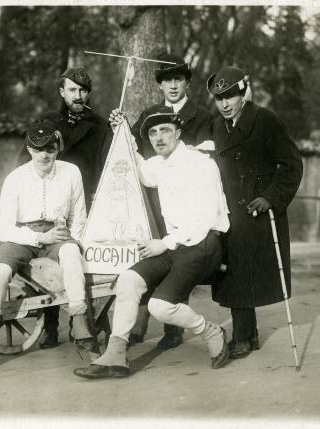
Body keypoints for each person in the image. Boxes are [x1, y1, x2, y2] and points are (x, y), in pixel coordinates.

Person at [73, 107, 231, 379]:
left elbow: (203, 219)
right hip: (175, 244)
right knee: (128, 280)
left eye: (165, 130)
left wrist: (165, 244)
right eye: (153, 133)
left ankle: (211, 331)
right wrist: (122, 131)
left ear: (178, 133)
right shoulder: (160, 163)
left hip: (204, 243)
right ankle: (116, 354)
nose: (158, 138)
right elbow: (143, 171)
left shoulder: (201, 163)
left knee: (160, 306)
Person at [109, 53, 214, 350]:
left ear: (187, 82)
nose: (172, 85)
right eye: (166, 80)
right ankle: (137, 327)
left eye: (177, 79)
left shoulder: (204, 116)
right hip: (156, 200)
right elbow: (137, 152)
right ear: (159, 85)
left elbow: (208, 153)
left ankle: (173, 329)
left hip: (187, 202)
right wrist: (122, 127)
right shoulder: (150, 114)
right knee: (151, 263)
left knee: (179, 261)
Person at [0, 120, 93, 371]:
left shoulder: (71, 172)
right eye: (38, 149)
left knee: (72, 253)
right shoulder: (15, 179)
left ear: (57, 148)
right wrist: (39, 238)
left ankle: (79, 318)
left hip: (58, 232)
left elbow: (79, 216)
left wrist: (72, 240)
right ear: (29, 150)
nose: (44, 155)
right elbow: (3, 229)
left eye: (50, 149)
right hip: (21, 236)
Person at [207, 66, 303, 360]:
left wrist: (269, 198)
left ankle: (244, 337)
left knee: (248, 271)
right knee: (233, 273)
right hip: (228, 212)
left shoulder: (265, 120)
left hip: (257, 210)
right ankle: (245, 334)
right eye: (219, 98)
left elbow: (291, 164)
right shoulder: (215, 126)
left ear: (243, 93)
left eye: (230, 97)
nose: (224, 104)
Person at [17, 67, 112, 349]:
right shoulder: (46, 121)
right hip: (50, 204)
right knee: (47, 267)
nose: (78, 95)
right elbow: (25, 164)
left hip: (84, 202)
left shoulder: (99, 125)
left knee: (79, 259)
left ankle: (80, 321)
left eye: (83, 90)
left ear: (88, 92)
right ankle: (48, 326)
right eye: (72, 90)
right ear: (62, 92)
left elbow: (105, 167)